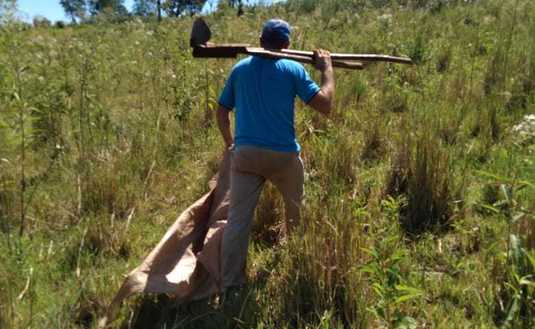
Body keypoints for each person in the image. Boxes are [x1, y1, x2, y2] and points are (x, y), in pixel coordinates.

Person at [216, 18, 335, 291]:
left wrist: (229, 143)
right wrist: (326, 69)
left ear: (260, 41)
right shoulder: (293, 69)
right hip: (283, 157)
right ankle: (296, 263)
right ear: (287, 45)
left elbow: (222, 111)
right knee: (295, 212)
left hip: (245, 156)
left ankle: (231, 284)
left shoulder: (240, 69)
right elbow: (326, 105)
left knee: (237, 221)